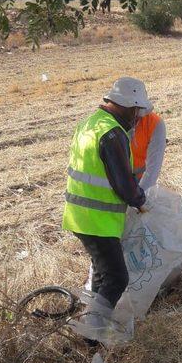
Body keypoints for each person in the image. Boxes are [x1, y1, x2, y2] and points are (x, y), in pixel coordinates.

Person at [62, 77, 151, 342]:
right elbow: (124, 184)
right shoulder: (112, 134)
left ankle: (93, 330)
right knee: (116, 277)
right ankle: (92, 335)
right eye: (137, 112)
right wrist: (141, 200)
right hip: (97, 220)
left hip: (80, 215)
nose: (137, 118)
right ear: (129, 106)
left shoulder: (89, 124)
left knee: (103, 274)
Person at [131, 107, 167, 190]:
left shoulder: (154, 123)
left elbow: (153, 169)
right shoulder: (108, 121)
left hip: (138, 180)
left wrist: (140, 196)